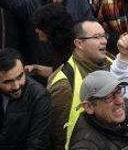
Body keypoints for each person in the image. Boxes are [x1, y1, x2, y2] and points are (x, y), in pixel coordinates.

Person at [48, 19, 116, 148]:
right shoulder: (64, 82)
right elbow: (58, 134)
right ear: (79, 43)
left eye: (104, 36)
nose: (104, 41)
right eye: (97, 37)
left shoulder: (113, 62)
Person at [0, 48, 52, 149]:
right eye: (8, 82)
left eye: (20, 76)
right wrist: (9, 140)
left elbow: (38, 144)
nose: (16, 86)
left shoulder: (38, 96)